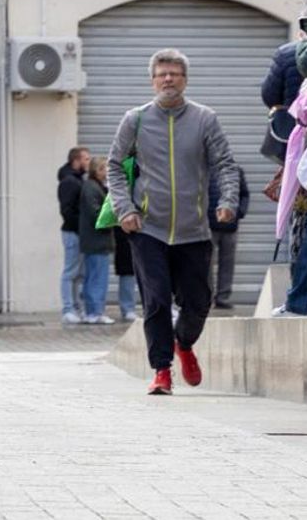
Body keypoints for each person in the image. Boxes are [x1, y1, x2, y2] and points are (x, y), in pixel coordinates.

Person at [108, 48, 240, 396]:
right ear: (152, 80)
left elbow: (225, 164)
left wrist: (227, 201)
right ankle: (161, 370)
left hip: (194, 230)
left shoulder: (204, 119)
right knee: (156, 301)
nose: (168, 79)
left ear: (185, 80)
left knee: (198, 302)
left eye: (175, 74)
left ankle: (184, 343)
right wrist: (125, 210)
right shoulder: (134, 120)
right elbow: (113, 167)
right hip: (147, 228)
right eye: (162, 74)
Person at [77, 157, 115, 325]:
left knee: (93, 276)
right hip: (97, 241)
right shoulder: (91, 188)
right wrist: (110, 220)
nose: (107, 172)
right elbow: (96, 214)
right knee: (97, 278)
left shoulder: (95, 187)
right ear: (97, 170)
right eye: (104, 168)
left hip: (96, 240)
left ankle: (92, 311)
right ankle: (95, 312)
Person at [207, 165, 250, 310]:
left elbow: (244, 194)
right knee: (206, 264)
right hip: (208, 226)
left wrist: (239, 213)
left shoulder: (236, 170)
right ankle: (208, 298)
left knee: (227, 263)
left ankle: (222, 297)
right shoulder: (205, 168)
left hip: (230, 225)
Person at [56, 147, 89, 324]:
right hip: (72, 233)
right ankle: (68, 308)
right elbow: (67, 210)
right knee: (70, 272)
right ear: (76, 160)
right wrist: (80, 225)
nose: (88, 162)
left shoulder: (77, 180)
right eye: (86, 159)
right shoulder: (69, 181)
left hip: (78, 233)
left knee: (79, 273)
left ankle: (77, 307)